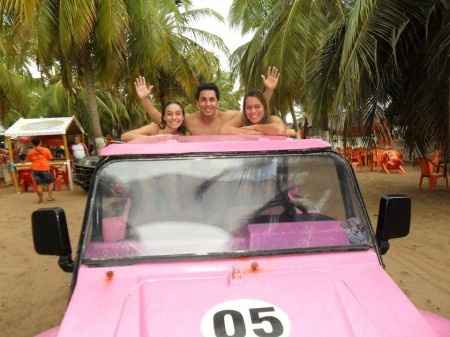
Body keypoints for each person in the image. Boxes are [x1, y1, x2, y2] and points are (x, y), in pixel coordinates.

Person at [134, 67, 280, 135]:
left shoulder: (230, 117)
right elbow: (163, 118)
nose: (208, 103)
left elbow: (255, 112)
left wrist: (269, 90)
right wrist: (145, 99)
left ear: (218, 102)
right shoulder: (189, 121)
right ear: (197, 103)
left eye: (212, 100)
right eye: (203, 100)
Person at [221, 90, 296, 136]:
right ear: (244, 109)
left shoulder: (272, 119)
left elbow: (280, 129)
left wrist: (255, 127)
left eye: (257, 107)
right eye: (249, 108)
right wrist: (248, 132)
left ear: (264, 108)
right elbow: (224, 130)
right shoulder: (242, 118)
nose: (253, 111)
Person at [121, 101, 188, 142]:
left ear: (183, 117)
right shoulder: (155, 128)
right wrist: (155, 139)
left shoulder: (185, 133)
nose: (174, 117)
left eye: (178, 114)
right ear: (164, 117)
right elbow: (124, 136)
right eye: (169, 114)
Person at [26, 137, 55, 203]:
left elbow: (29, 160)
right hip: (45, 168)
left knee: (39, 184)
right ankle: (50, 196)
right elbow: (50, 158)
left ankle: (40, 199)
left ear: (32, 143)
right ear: (40, 142)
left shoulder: (30, 152)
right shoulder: (46, 150)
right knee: (50, 182)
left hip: (35, 169)